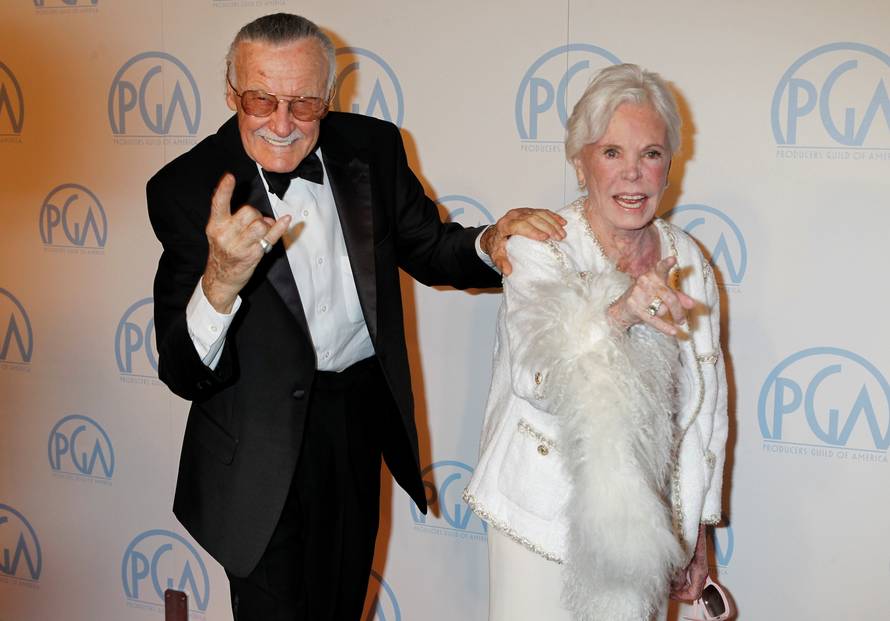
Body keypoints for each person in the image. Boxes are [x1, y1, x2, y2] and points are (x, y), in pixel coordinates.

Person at [146, 12, 564, 621]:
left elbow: (428, 246)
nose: (284, 124)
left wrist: (492, 242)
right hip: (257, 440)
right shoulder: (185, 188)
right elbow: (182, 369)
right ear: (232, 92)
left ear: (330, 96)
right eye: (261, 99)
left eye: (306, 103)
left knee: (345, 606)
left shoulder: (372, 147)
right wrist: (220, 283)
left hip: (356, 421)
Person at [463, 63, 729, 621]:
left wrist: (693, 529)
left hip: (644, 531)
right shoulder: (542, 246)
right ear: (580, 164)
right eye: (611, 153)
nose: (632, 175)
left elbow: (705, 409)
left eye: (650, 154)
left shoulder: (690, 261)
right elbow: (536, 379)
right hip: (541, 516)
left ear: (669, 167)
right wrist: (618, 315)